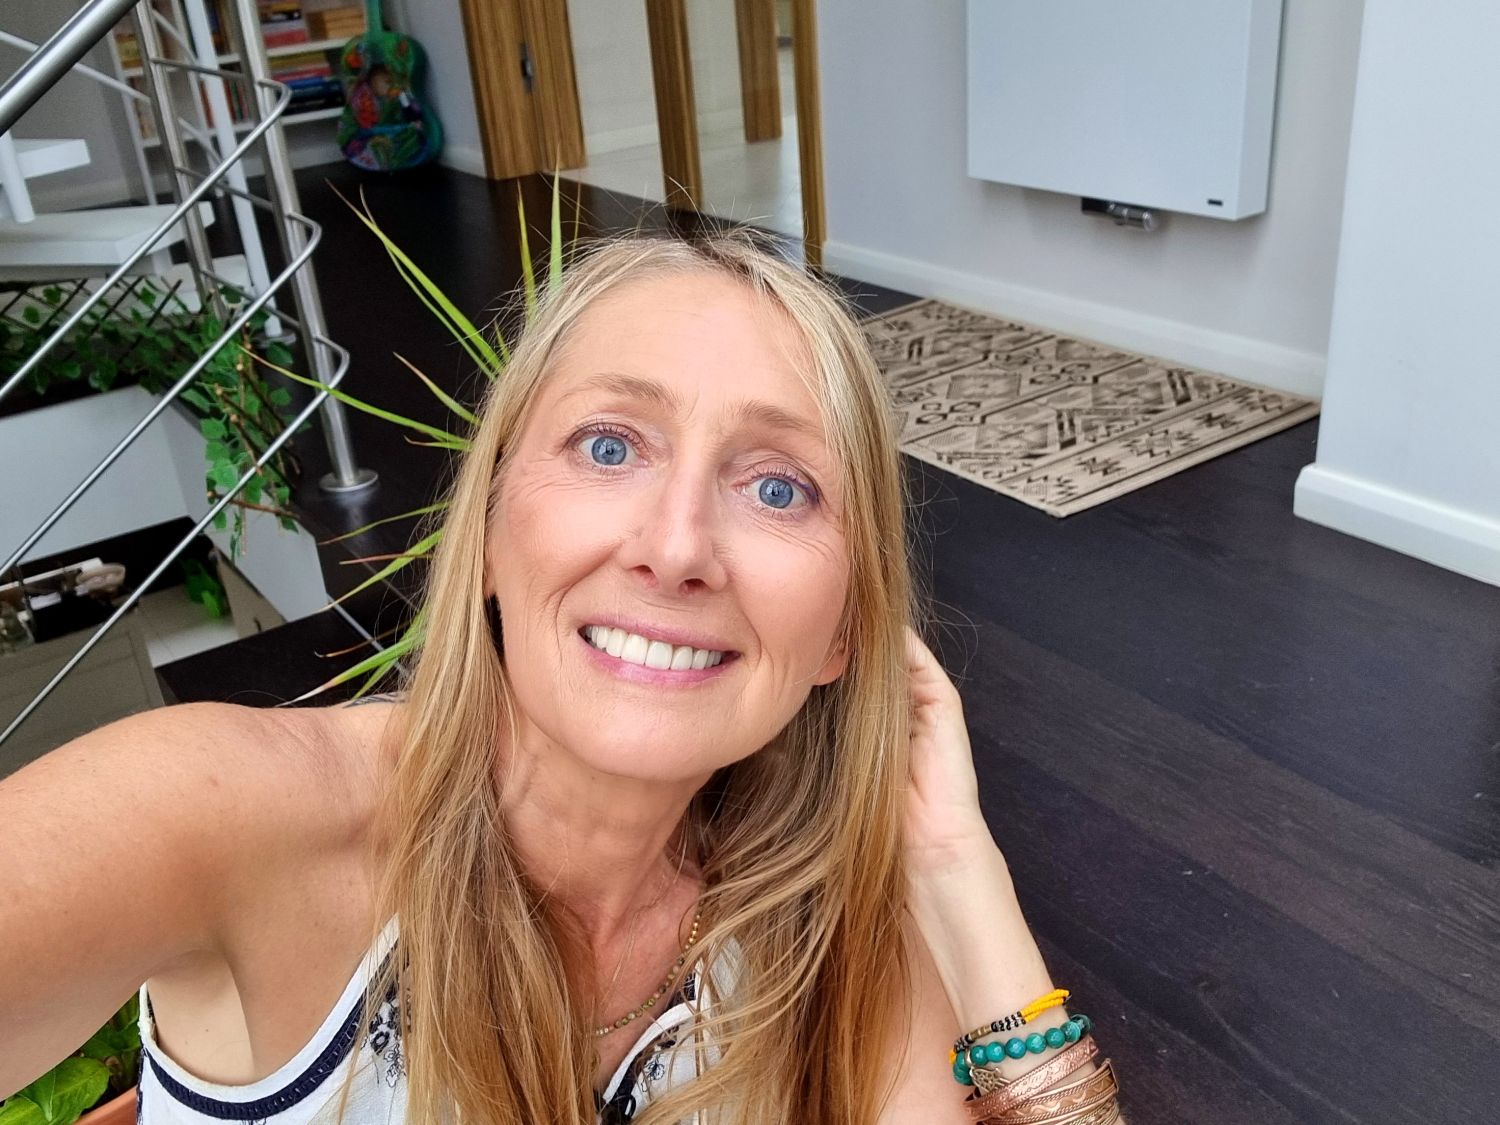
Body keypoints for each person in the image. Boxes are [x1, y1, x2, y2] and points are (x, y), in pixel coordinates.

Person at [1, 235, 1121, 1124]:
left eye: (779, 488)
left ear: (843, 634)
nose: (676, 547)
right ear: (490, 531)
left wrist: (956, 865)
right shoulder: (224, 813)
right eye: (609, 446)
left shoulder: (817, 916)